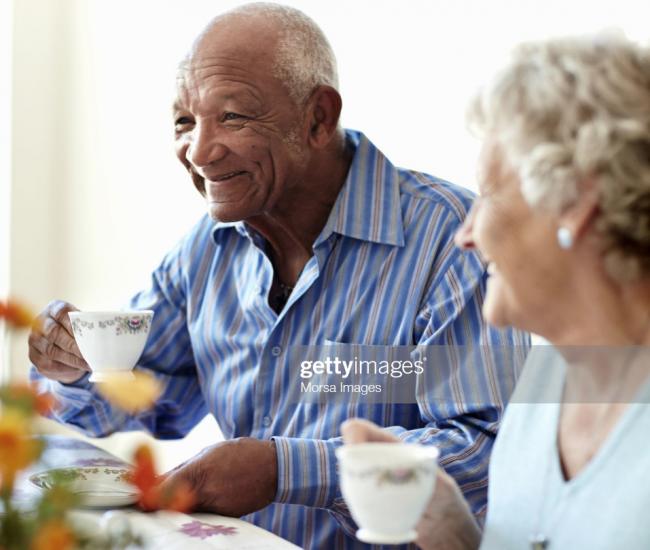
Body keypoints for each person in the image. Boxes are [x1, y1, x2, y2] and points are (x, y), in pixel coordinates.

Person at [27, 3, 529, 548]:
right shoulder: (208, 249)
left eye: (233, 116)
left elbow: (486, 453)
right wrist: (70, 366)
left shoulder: (450, 238)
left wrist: (282, 469)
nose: (199, 151)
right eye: (184, 121)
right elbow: (132, 397)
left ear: (317, 118)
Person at [343, 32, 650, 550]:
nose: (466, 234)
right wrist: (449, 526)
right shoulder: (545, 379)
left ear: (575, 202)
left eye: (488, 196)